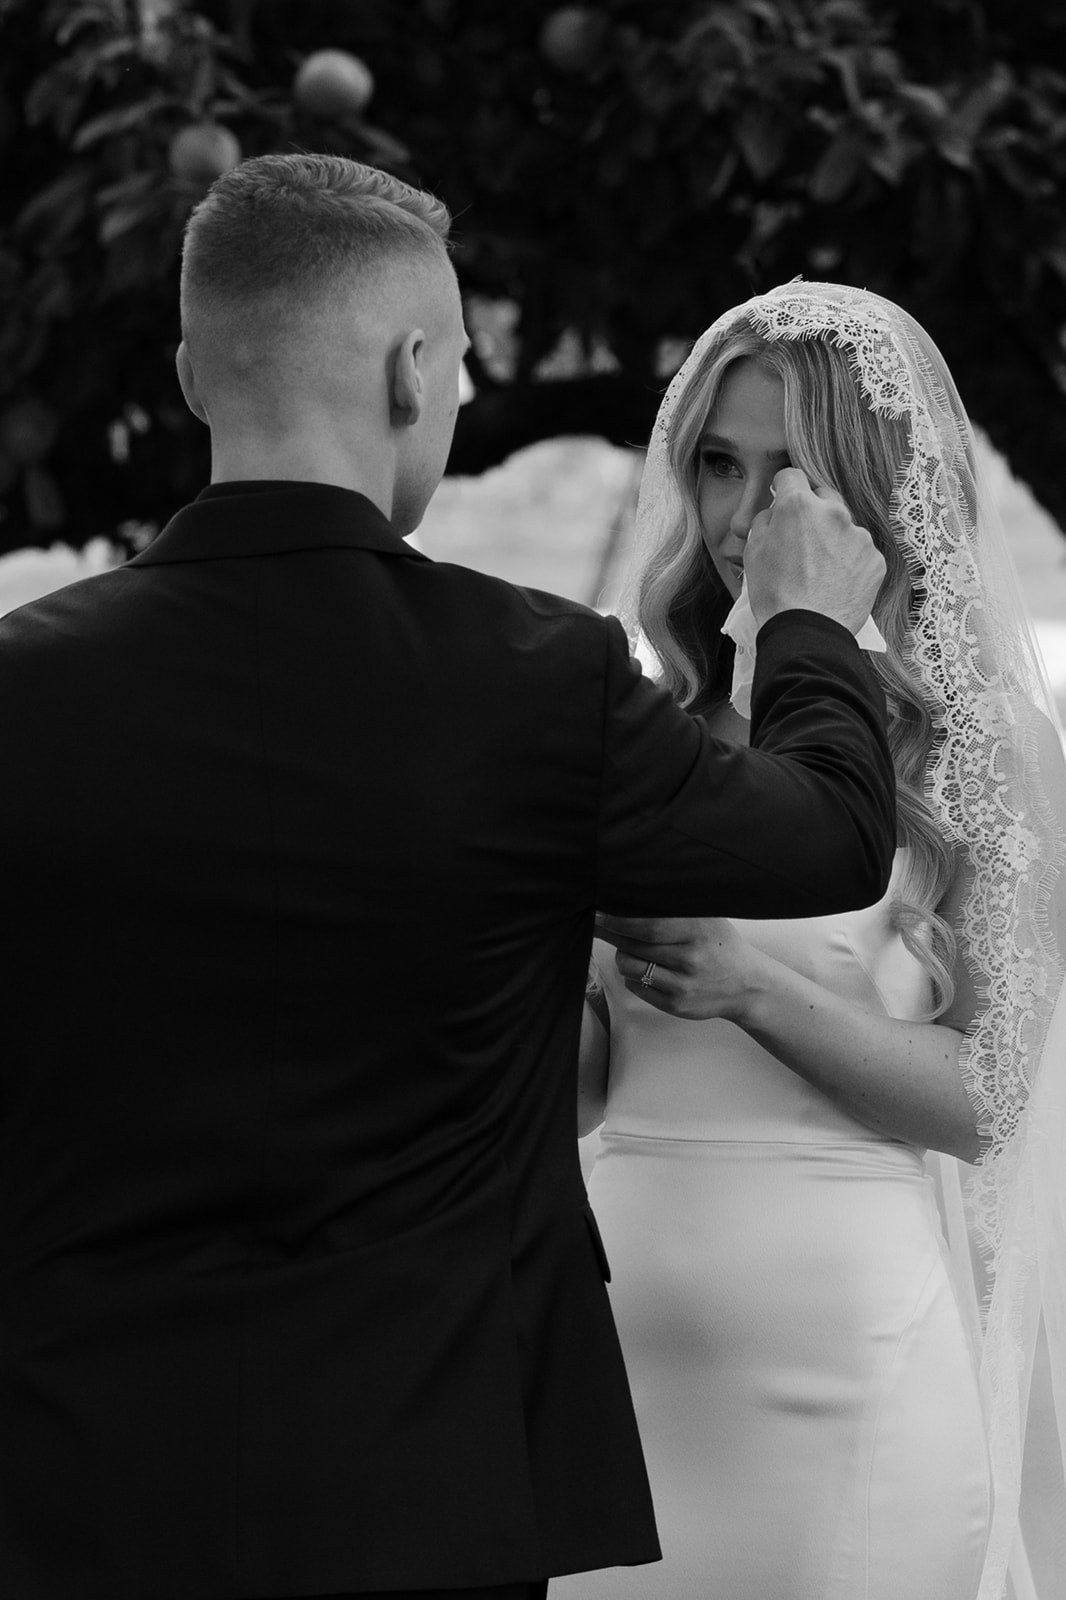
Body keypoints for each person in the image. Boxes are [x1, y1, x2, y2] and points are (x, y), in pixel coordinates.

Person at [0, 165, 895, 1600]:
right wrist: (797, 622)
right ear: (414, 371)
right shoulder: (537, 678)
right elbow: (832, 836)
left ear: (188, 373)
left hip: (69, 1490)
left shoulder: (21, 690)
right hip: (421, 1482)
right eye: (467, 364)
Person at [561, 281, 1066, 1600]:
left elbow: (988, 1101)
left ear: (871, 487)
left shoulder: (978, 749)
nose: (739, 517)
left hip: (850, 1361)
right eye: (718, 465)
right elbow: (592, 1081)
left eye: (787, 472)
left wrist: (746, 988)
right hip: (625, 1353)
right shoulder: (647, 731)